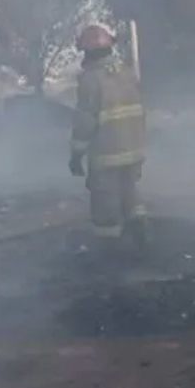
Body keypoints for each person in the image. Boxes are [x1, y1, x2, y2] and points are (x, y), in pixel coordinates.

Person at [69, 23, 148, 249]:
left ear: (86, 52)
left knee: (105, 202)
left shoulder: (90, 80)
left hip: (107, 153)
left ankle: (109, 248)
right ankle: (139, 227)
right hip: (135, 148)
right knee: (129, 189)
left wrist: (76, 155)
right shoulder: (127, 72)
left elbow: (85, 122)